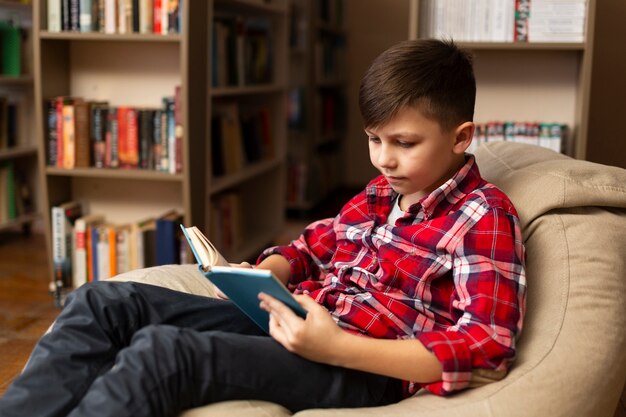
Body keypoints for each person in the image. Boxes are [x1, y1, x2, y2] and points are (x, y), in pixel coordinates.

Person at [0, 39, 526, 417]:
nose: (383, 159)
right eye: (373, 139)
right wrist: (264, 272)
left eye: (404, 143)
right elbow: (310, 246)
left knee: (164, 354)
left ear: (461, 138)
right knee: (101, 301)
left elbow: (486, 345)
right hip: (295, 321)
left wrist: (336, 349)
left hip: (362, 365)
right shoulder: (375, 196)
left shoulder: (485, 216)